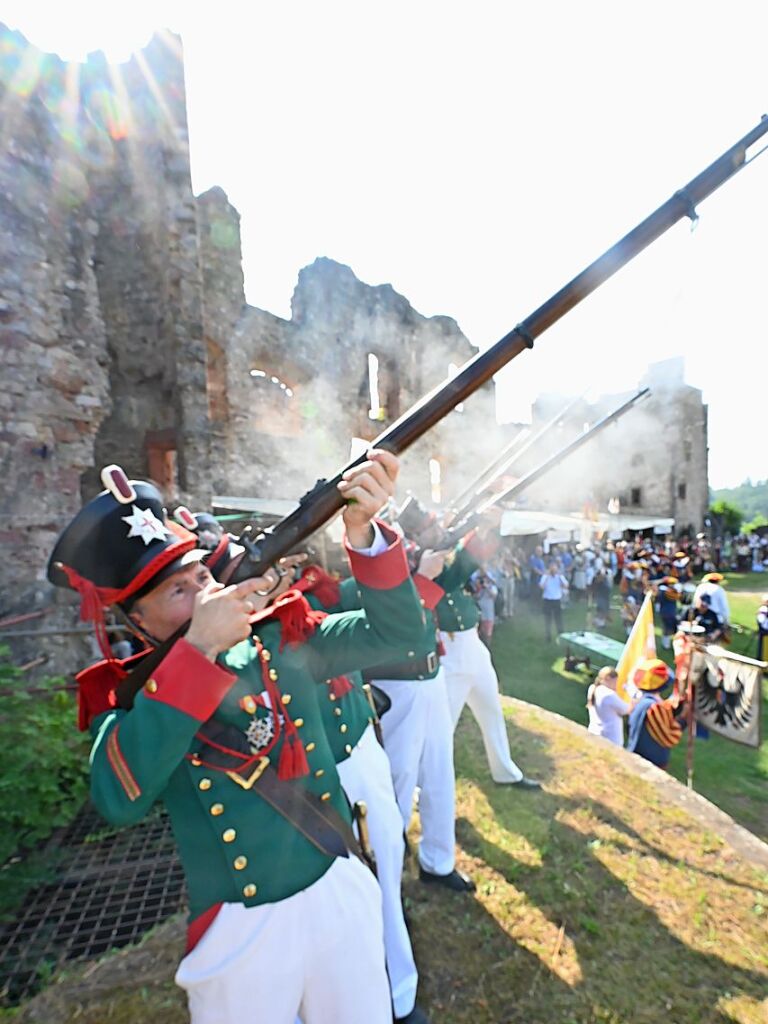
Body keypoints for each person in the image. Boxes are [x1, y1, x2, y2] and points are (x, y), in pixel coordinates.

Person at [47, 454, 426, 1024]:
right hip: (239, 926)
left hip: (336, 884)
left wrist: (363, 533)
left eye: (201, 577)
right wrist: (196, 652)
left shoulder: (284, 636)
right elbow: (117, 799)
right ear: (140, 623)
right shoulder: (137, 699)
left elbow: (400, 635)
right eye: (178, 592)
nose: (203, 595)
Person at [433, 526, 541, 789]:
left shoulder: (445, 560)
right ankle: (428, 786)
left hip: (472, 644)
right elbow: (459, 565)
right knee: (441, 728)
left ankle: (506, 772)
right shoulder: (427, 566)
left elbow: (469, 559)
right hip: (449, 649)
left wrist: (487, 526)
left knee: (492, 712)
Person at [626, 658, 686, 770]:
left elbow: (666, 709)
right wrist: (684, 719)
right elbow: (669, 737)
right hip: (648, 764)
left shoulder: (640, 701)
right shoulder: (654, 707)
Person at [586, 666, 631, 746]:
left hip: (594, 731)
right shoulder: (609, 695)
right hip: (609, 739)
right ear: (608, 678)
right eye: (615, 682)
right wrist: (635, 698)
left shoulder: (593, 688)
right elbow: (627, 709)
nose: (616, 685)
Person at [539, 561, 569, 642]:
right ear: (549, 569)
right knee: (547, 619)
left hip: (556, 600)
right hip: (547, 600)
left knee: (558, 619)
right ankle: (548, 636)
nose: (553, 571)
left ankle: (561, 635)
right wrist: (547, 576)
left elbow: (566, 585)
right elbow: (541, 587)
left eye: (555, 569)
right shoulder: (545, 576)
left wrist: (560, 578)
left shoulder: (560, 576)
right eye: (552, 568)